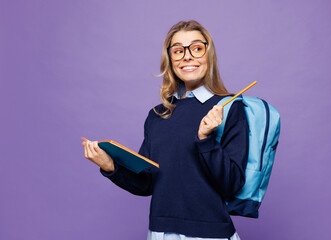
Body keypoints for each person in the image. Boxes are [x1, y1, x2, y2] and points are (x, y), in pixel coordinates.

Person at [82, 20, 249, 240]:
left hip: (210, 234)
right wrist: (110, 166)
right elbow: (147, 183)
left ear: (209, 55)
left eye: (197, 48)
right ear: (170, 59)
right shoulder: (157, 115)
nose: (187, 56)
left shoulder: (228, 107)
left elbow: (232, 184)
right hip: (159, 233)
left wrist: (205, 139)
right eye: (178, 51)